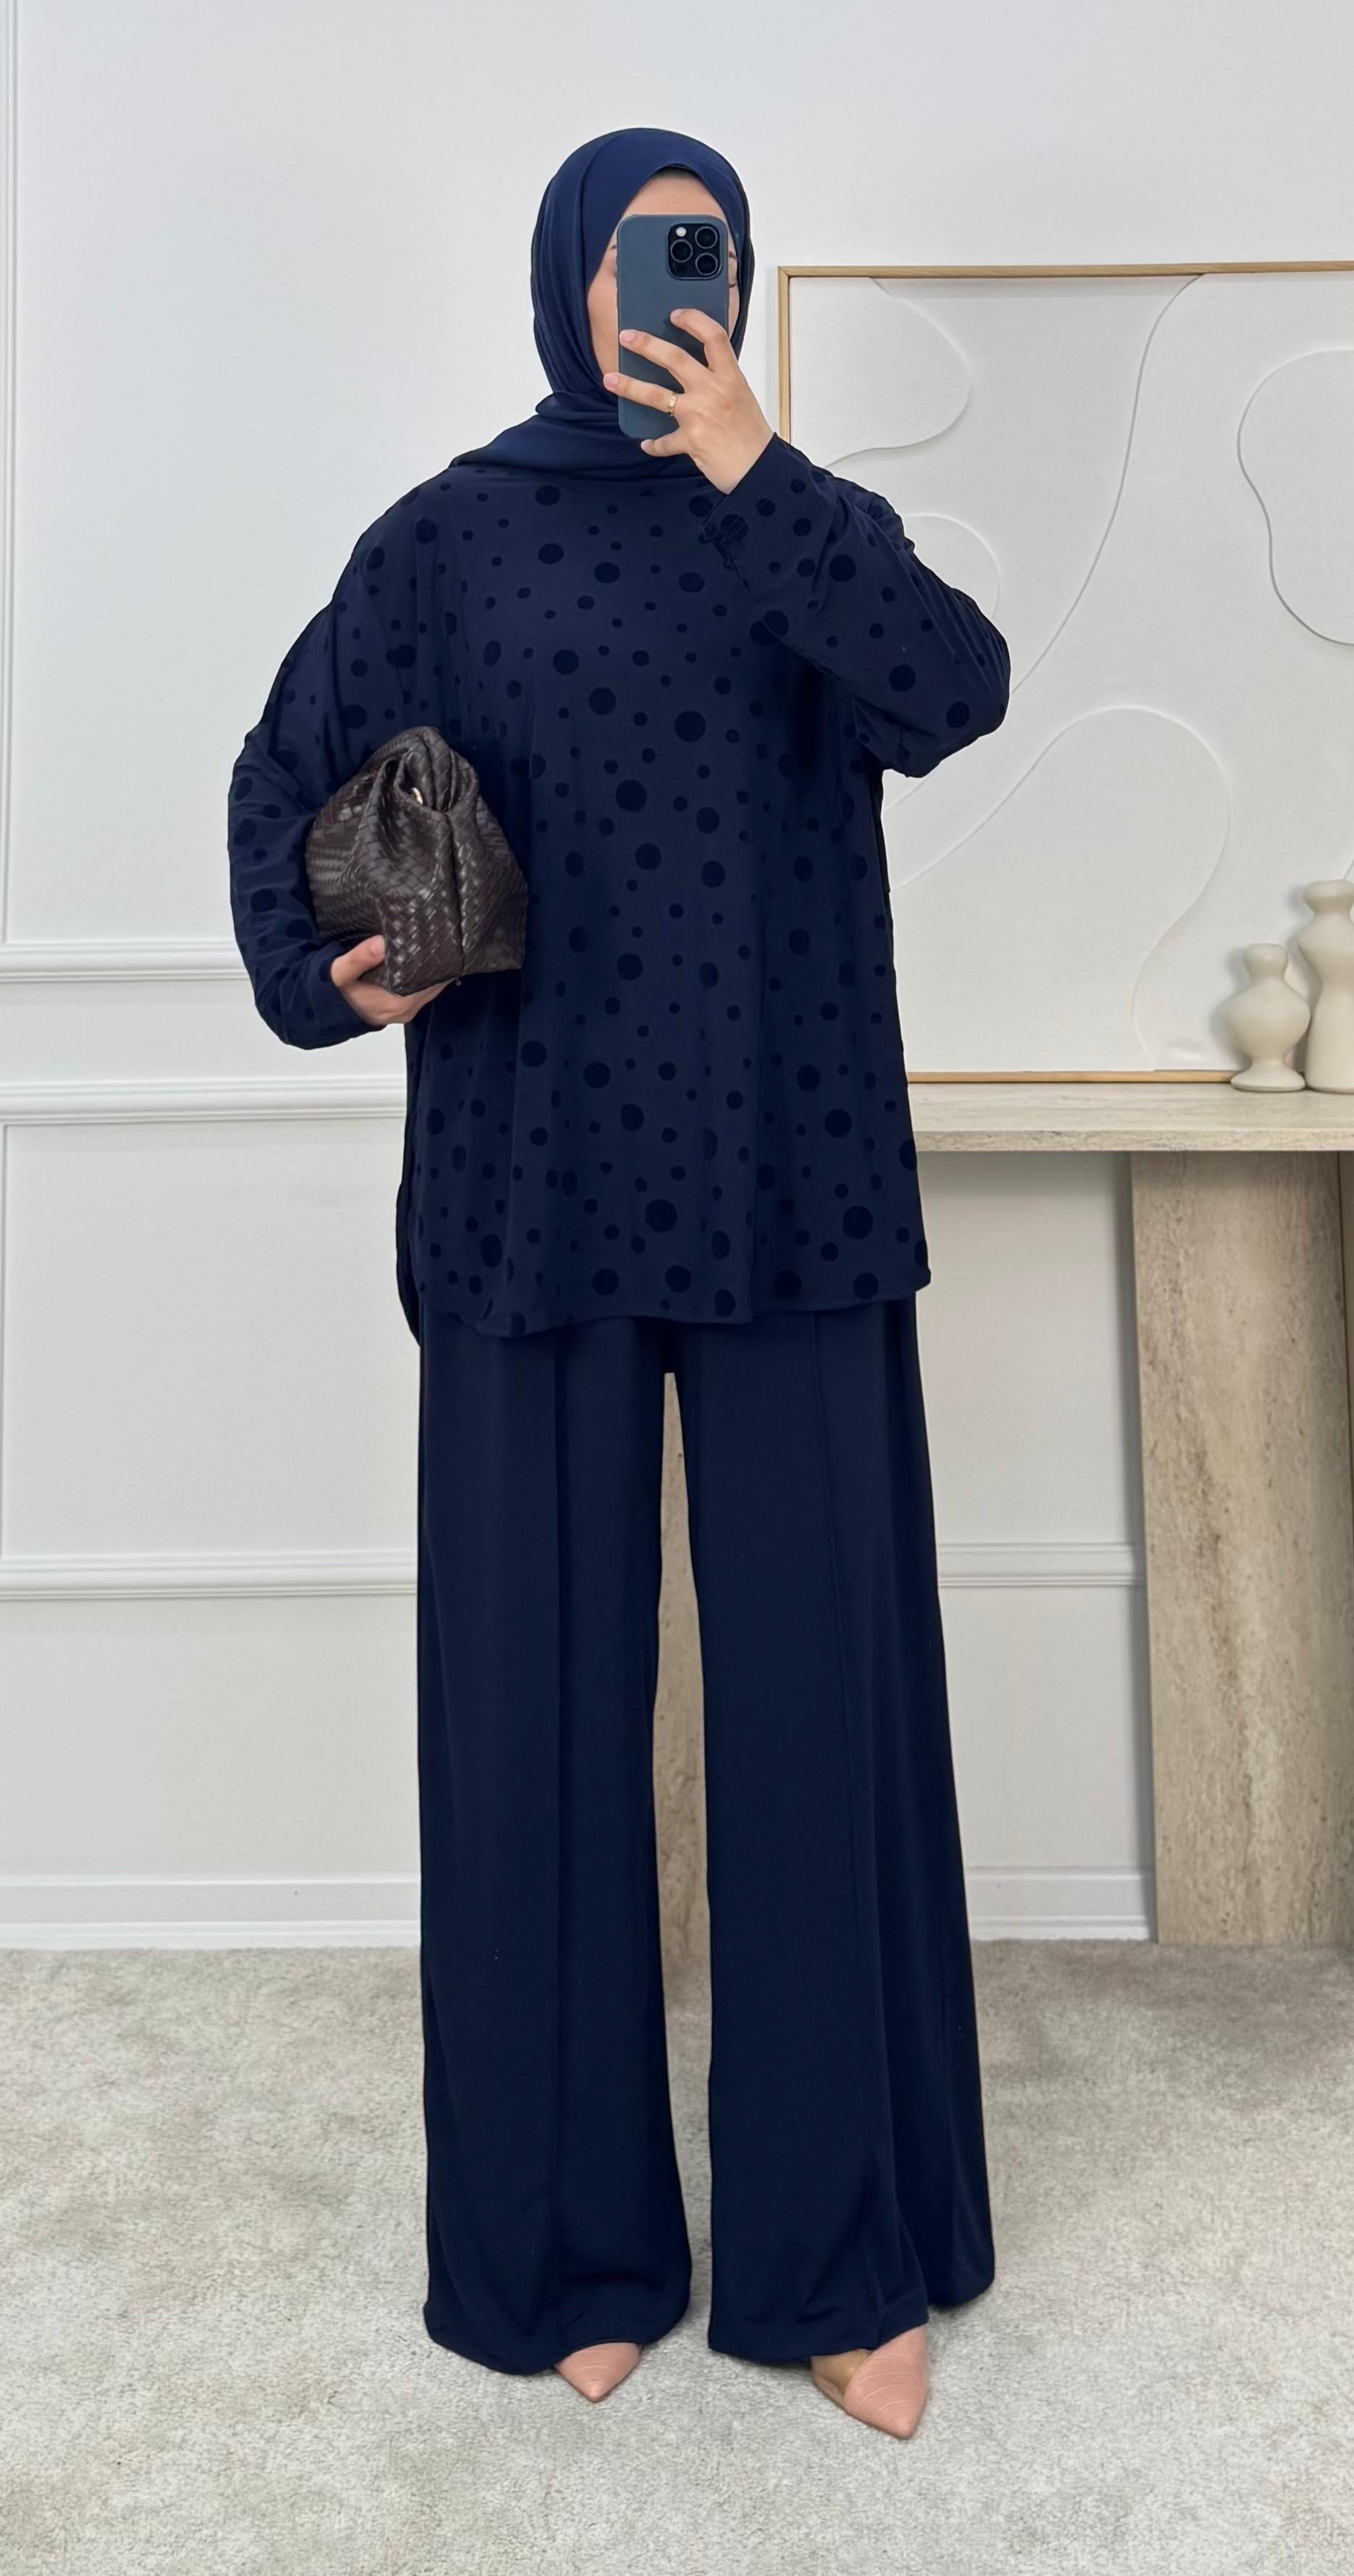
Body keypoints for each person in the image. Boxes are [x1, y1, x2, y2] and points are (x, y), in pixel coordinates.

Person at [227, 127, 1011, 2441]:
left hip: (792, 1186)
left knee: (815, 1721)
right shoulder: (450, 535)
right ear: (565, 272)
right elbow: (284, 780)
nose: (680, 282)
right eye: (646, 248)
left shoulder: (804, 527)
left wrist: (759, 468)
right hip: (529, 1189)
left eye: (713, 250)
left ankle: (838, 2262)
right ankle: (566, 2242)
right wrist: (333, 971)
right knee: (533, 1725)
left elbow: (949, 689)